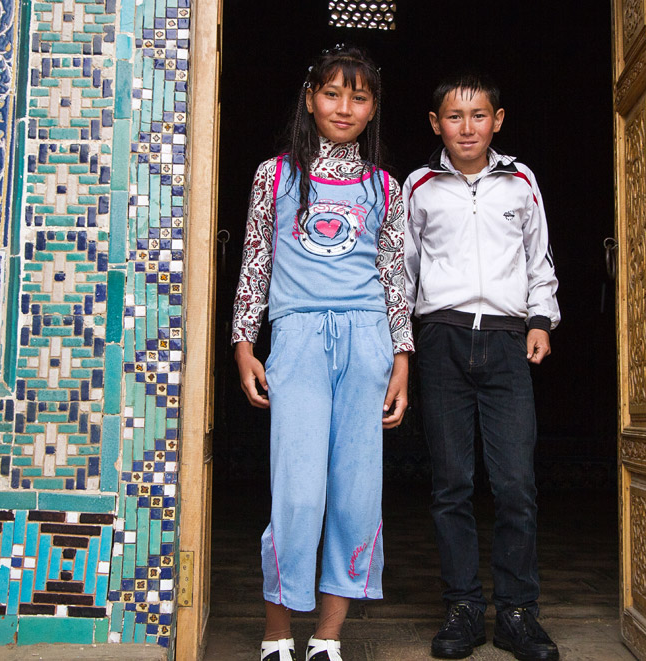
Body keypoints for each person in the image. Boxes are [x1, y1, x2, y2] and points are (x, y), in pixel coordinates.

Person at [231, 44, 413, 661]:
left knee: (356, 492)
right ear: (311, 99)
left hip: (367, 341)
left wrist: (402, 361)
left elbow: (394, 277)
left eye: (358, 97)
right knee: (297, 490)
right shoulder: (275, 175)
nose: (344, 107)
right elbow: (256, 260)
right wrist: (243, 343)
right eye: (332, 93)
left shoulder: (386, 187)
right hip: (298, 339)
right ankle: (277, 631)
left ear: (372, 108)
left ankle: (327, 639)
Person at [403, 72, 561, 661]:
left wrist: (541, 321)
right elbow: (402, 269)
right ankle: (463, 609)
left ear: (498, 121)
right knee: (452, 485)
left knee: (516, 483)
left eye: (477, 115)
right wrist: (403, 342)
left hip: (505, 340)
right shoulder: (418, 187)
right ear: (435, 123)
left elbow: (537, 257)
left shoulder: (520, 182)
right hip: (440, 338)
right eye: (453, 116)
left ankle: (519, 613)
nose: (465, 127)